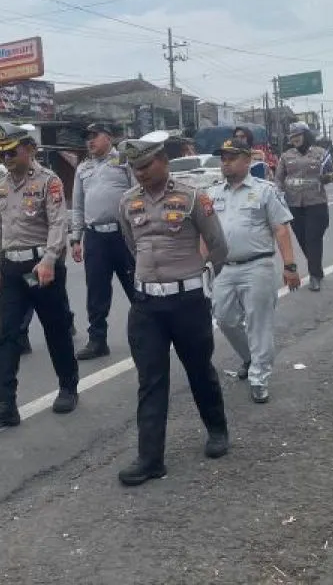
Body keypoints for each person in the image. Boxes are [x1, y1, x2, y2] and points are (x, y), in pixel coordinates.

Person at [115, 131, 230, 486]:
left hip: (187, 302)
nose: (141, 173)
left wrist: (203, 277)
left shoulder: (194, 197)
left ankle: (217, 430)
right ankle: (150, 459)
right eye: (135, 168)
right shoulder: (126, 202)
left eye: (147, 165)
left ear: (163, 160)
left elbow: (218, 246)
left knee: (199, 369)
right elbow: (131, 245)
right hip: (147, 304)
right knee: (151, 381)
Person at [0, 122, 80, 428]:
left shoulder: (50, 182)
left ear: (30, 149)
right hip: (11, 267)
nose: (6, 157)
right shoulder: (0, 185)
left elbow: (58, 224)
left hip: (41, 267)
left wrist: (50, 260)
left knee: (56, 328)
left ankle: (68, 386)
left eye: (12, 150)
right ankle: (5, 403)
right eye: (2, 152)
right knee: (7, 335)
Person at [207, 138, 302, 404]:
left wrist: (290, 266)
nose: (225, 162)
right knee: (224, 318)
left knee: (259, 325)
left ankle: (259, 377)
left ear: (247, 160)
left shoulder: (265, 191)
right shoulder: (213, 194)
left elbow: (281, 228)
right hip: (224, 267)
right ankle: (250, 358)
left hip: (257, 266)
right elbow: (206, 234)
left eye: (232, 157)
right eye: (223, 158)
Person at [69, 122, 136, 360]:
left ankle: (146, 334)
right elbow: (77, 206)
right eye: (87, 137)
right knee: (96, 291)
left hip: (123, 236)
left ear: (108, 137)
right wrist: (75, 238)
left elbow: (138, 194)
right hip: (95, 236)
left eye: (94, 136)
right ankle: (97, 340)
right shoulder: (83, 168)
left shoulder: (125, 161)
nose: (90, 141)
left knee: (136, 288)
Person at [275, 121, 333, 291]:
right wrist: (278, 195)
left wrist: (329, 177)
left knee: (313, 238)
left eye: (298, 135)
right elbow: (278, 179)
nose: (295, 139)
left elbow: (332, 173)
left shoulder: (321, 154)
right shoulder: (286, 156)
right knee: (303, 240)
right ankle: (317, 268)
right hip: (294, 205)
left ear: (306, 135)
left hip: (316, 203)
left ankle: (314, 276)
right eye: (292, 137)